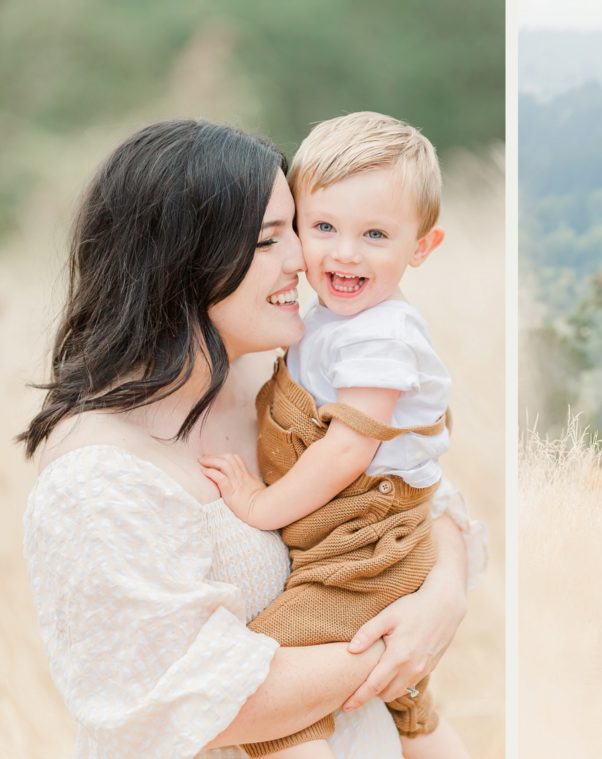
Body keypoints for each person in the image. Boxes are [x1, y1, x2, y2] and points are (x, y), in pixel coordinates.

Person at [19, 119, 482, 758]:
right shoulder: (98, 478)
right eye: (269, 240)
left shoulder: (278, 383)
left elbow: (420, 489)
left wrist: (444, 598)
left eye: (296, 227)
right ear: (182, 260)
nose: (305, 257)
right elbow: (192, 702)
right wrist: (397, 646)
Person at [199, 112, 466, 759]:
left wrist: (262, 505)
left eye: (375, 234)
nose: (345, 253)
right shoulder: (336, 318)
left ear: (422, 247)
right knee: (411, 706)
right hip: (354, 540)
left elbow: (349, 449)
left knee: (273, 668)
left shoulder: (382, 333)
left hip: (365, 543)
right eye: (323, 227)